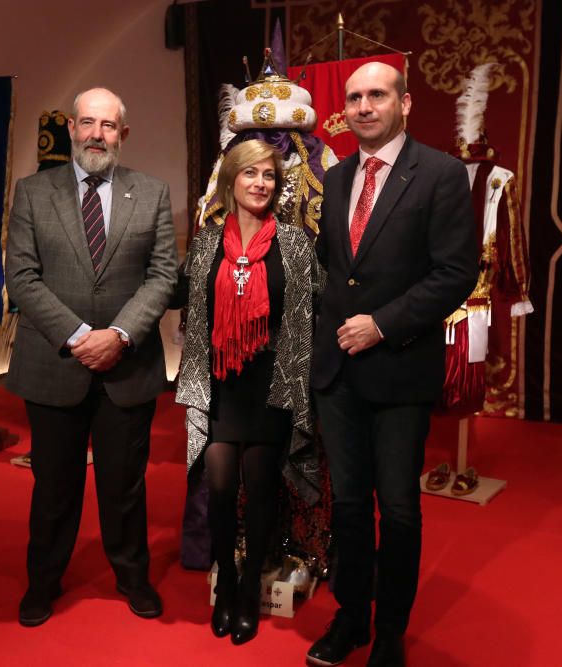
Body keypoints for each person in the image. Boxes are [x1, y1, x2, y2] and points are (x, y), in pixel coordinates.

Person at [306, 63, 478, 667]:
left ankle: (390, 632)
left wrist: (382, 323)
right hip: (337, 374)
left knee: (399, 508)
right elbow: (332, 269)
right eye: (354, 97)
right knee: (349, 506)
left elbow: (457, 272)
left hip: (400, 368)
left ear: (405, 102)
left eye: (377, 95)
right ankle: (351, 617)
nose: (363, 106)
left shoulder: (440, 174)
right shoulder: (335, 177)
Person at [4, 87, 177, 627]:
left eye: (107, 125)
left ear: (122, 134)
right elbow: (22, 277)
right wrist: (80, 335)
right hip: (55, 362)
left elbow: (164, 274)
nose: (96, 134)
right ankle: (43, 583)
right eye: (87, 123)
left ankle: (132, 576)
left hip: (128, 365)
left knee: (124, 485)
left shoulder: (150, 193)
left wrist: (120, 334)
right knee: (54, 486)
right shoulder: (33, 192)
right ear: (72, 129)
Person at [175, 139, 322, 644]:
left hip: (271, 382)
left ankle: (248, 594)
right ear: (231, 180)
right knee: (219, 490)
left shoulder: (297, 245)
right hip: (218, 381)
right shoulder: (205, 243)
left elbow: (312, 313)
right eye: (250, 174)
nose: (260, 183)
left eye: (269, 176)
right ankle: (228, 579)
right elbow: (188, 307)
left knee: (260, 489)